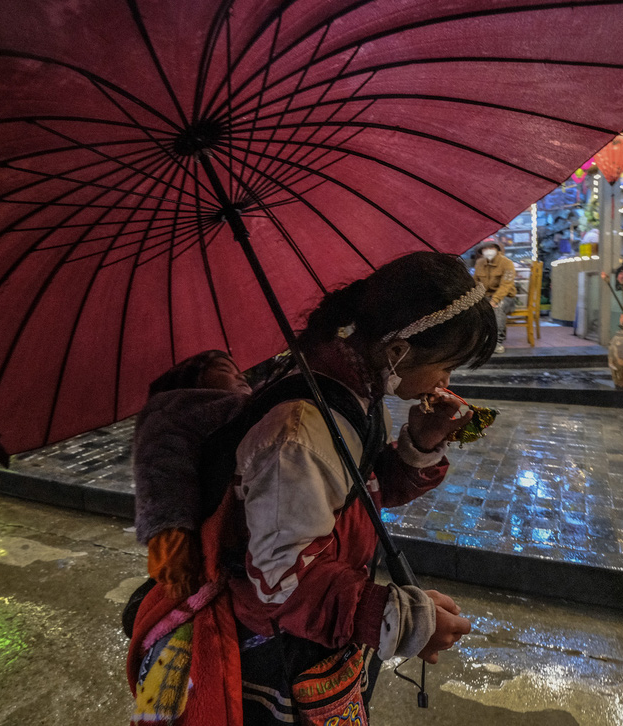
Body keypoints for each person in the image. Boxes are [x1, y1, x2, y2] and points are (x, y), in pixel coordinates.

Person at [230, 251, 497, 723]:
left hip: (324, 632)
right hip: (280, 648)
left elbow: (362, 495)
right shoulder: (301, 431)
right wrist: (398, 617)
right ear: (399, 351)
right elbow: (283, 581)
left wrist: (422, 442)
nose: (447, 382)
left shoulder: (355, 391)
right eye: (446, 366)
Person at [133, 350, 252, 600]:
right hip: (212, 553)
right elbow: (163, 479)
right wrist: (174, 549)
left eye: (239, 371)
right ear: (193, 382)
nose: (240, 376)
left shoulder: (252, 408)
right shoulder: (173, 413)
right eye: (224, 370)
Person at [472, 238, 516, 354]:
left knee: (497, 307)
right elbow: (475, 283)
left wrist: (495, 300)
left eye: (491, 247)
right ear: (481, 251)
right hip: (486, 296)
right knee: (472, 309)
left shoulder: (507, 263)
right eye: (485, 248)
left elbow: (506, 286)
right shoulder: (480, 263)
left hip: (506, 297)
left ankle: (496, 342)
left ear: (497, 249)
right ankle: (478, 341)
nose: (488, 250)